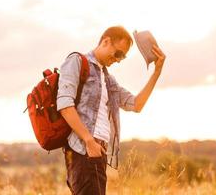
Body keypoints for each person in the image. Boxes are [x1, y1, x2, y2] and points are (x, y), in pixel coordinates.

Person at [56, 26, 165, 195]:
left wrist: (156, 73)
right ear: (106, 41)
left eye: (123, 57)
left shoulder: (108, 79)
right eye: (119, 53)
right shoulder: (77, 61)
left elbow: (136, 104)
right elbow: (64, 104)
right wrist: (89, 141)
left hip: (99, 154)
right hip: (83, 151)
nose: (119, 60)